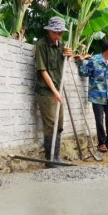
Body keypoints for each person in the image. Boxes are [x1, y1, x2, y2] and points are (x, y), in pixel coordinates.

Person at [34, 16, 72, 167]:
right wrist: (55, 92)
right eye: (57, 32)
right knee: (50, 123)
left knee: (59, 123)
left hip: (58, 88)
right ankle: (49, 161)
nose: (59, 36)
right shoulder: (42, 45)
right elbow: (43, 71)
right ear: (49, 31)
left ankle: (56, 157)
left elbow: (65, 62)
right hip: (46, 91)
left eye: (61, 33)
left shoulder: (60, 44)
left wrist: (68, 55)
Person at [76, 40, 108, 153]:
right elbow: (85, 73)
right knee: (99, 120)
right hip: (96, 96)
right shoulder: (94, 60)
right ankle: (101, 143)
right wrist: (81, 62)